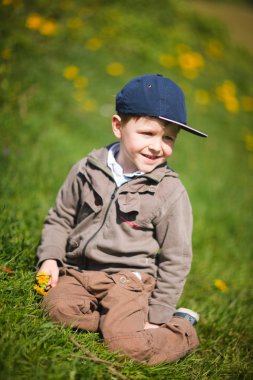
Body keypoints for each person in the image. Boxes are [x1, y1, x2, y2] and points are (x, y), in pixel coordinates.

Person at [36, 74, 207, 365]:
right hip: (78, 271)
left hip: (129, 283)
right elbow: (60, 217)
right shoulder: (87, 169)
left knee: (126, 347)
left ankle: (180, 327)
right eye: (148, 133)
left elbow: (176, 257)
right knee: (56, 309)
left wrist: (157, 315)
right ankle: (113, 322)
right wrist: (50, 258)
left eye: (168, 138)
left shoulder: (169, 191)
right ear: (118, 126)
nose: (158, 146)